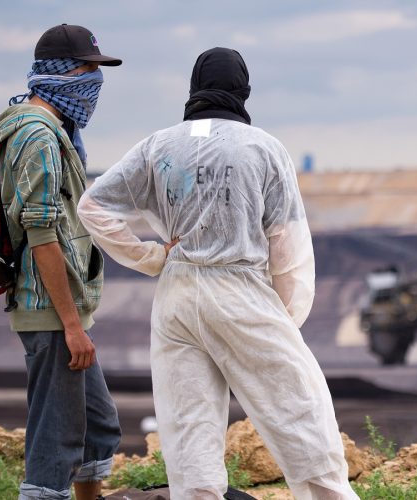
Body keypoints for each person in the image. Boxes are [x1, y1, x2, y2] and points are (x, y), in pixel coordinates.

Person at [78, 47, 357, 499]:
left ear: (194, 87)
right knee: (299, 411)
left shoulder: (157, 145)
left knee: (189, 425)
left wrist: (151, 257)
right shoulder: (262, 148)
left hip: (177, 296)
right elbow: (285, 240)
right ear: (242, 90)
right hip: (241, 290)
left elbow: (92, 206)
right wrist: (284, 315)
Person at [0, 24, 123, 500]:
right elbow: (41, 235)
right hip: (50, 308)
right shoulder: (38, 138)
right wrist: (71, 325)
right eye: (88, 70)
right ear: (64, 73)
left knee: (97, 424)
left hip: (62, 310)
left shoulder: (46, 128)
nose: (94, 83)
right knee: (55, 440)